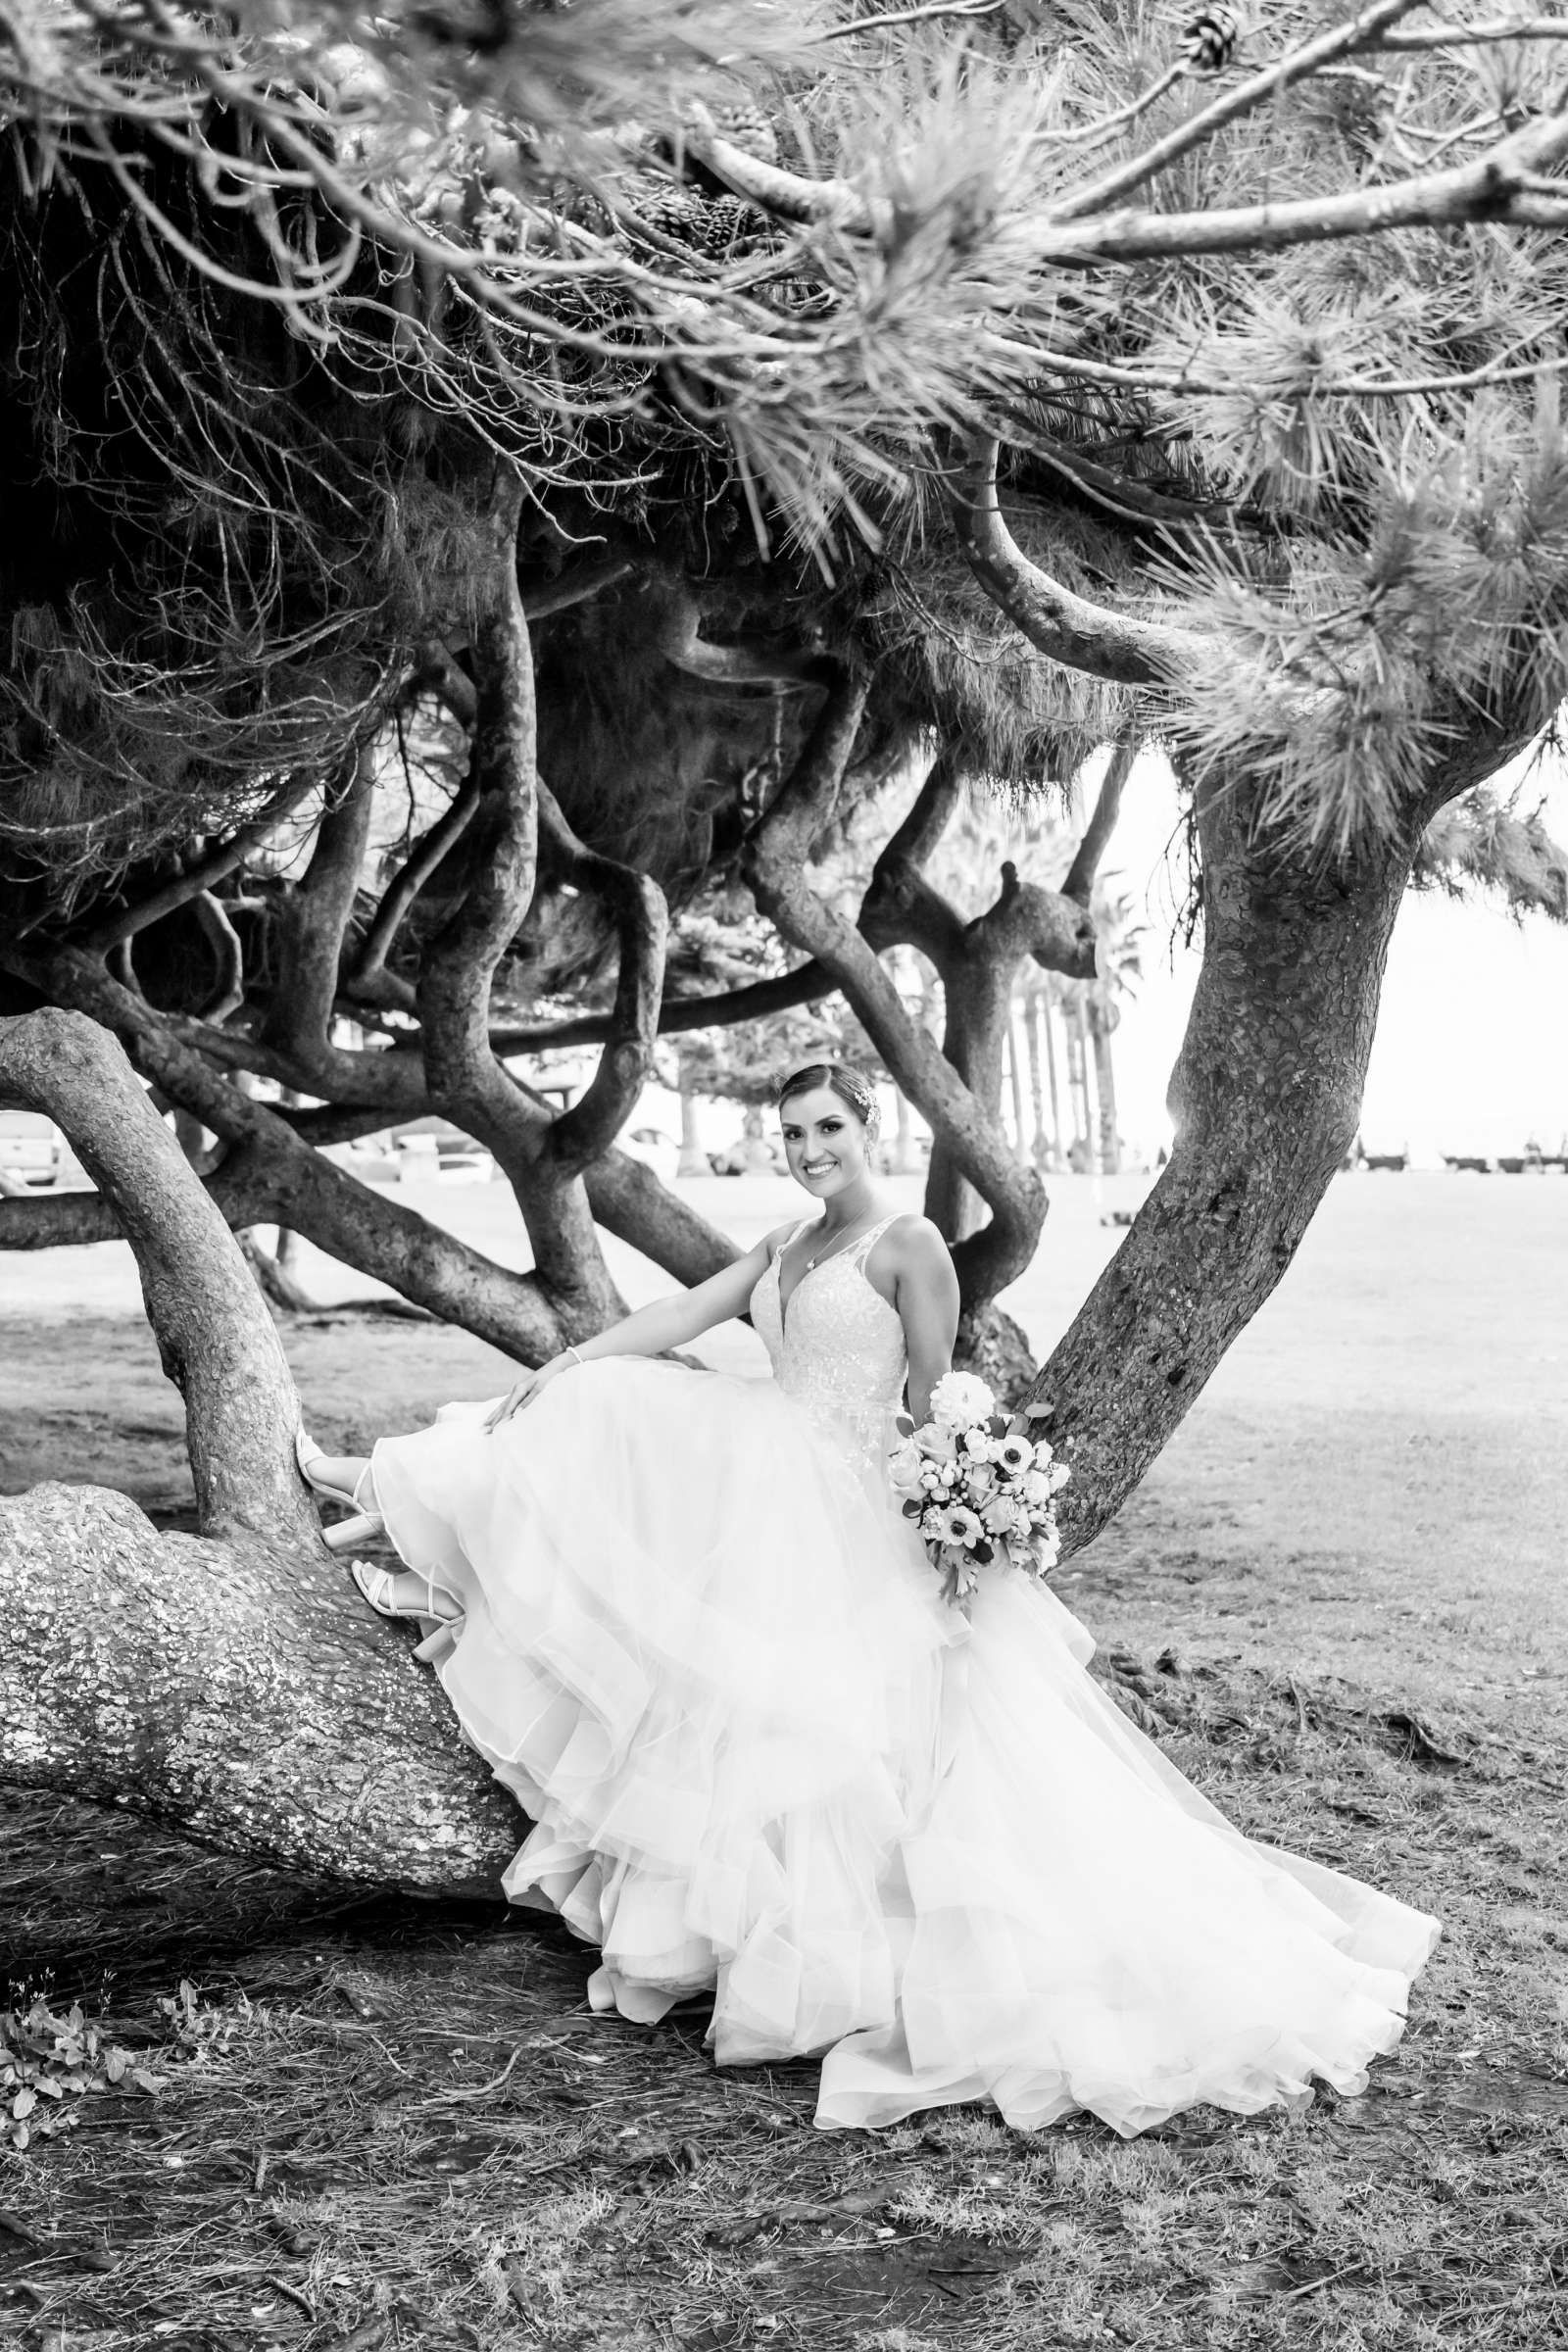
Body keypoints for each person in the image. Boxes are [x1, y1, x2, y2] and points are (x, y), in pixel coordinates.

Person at [297, 1061, 1439, 2135]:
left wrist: (962, 1513)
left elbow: (936, 1400)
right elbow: (684, 1316)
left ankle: (843, 1958)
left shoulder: (909, 1244)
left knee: (835, 1735)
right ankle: (385, 1496)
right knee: (610, 1410)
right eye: (792, 1136)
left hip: (843, 1503)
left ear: (868, 1128)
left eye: (827, 1130)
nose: (808, 1152)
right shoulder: (786, 1241)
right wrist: (566, 1360)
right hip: (767, 1476)